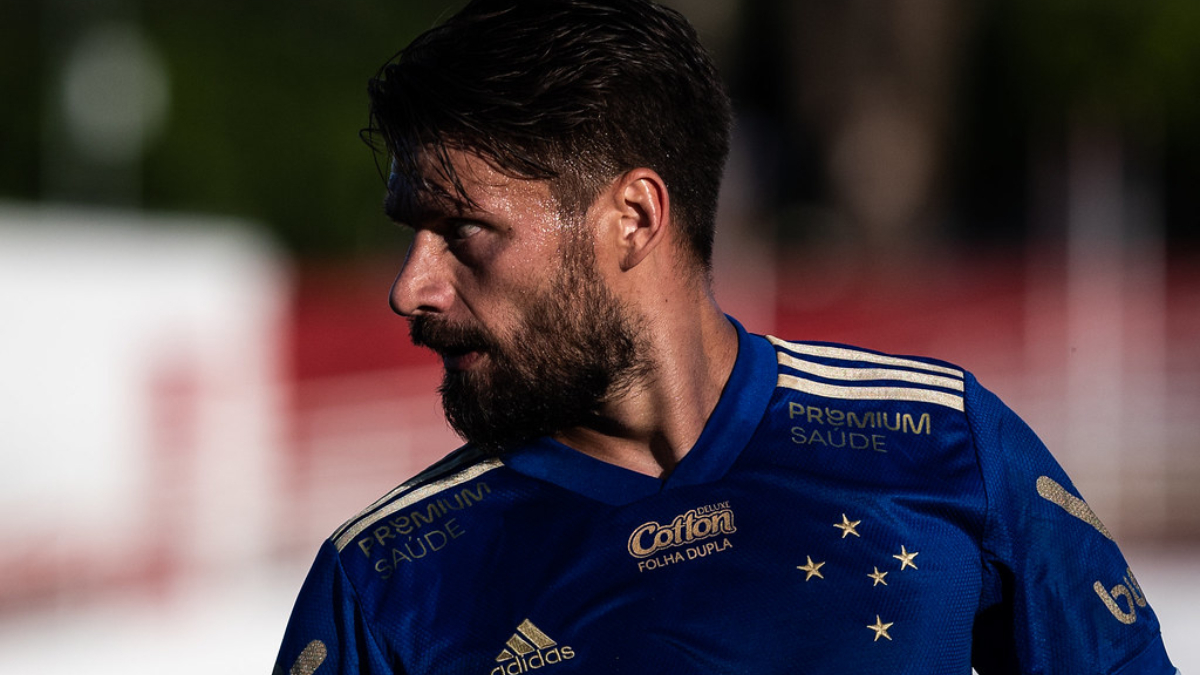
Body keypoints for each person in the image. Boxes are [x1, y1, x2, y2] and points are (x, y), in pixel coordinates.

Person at [274, 1, 1177, 673]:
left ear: (632, 216)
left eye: (462, 230)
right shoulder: (385, 579)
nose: (409, 288)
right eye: (408, 233)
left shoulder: (943, 440)